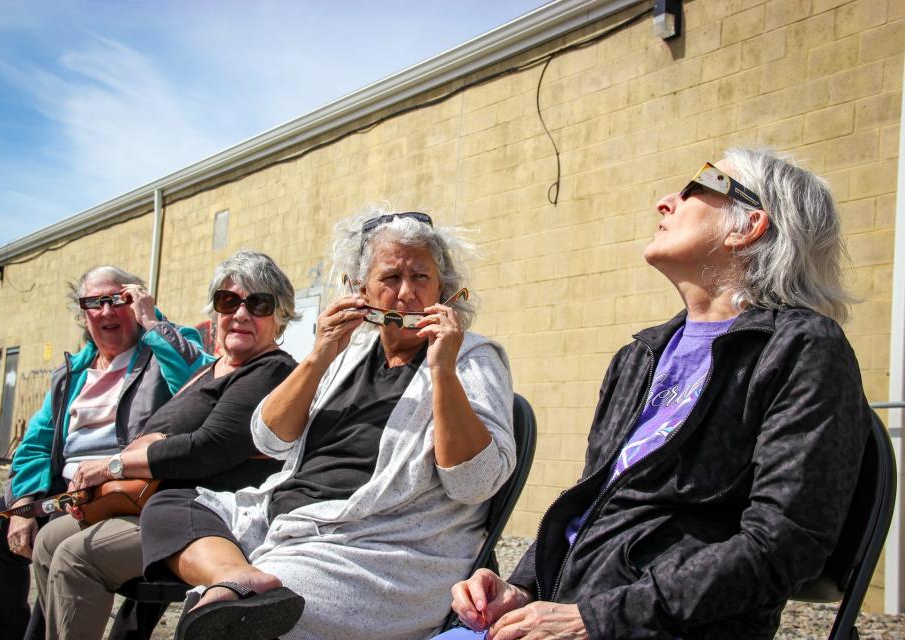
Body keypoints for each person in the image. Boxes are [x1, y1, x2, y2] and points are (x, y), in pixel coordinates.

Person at [447, 147, 872, 640]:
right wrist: (521, 590)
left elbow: (785, 543)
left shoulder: (801, 348)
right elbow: (599, 503)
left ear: (748, 225)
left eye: (697, 187)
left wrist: (597, 620)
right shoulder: (641, 355)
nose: (665, 202)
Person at [137, 209, 517, 640]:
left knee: (248, 615)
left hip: (376, 547)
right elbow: (269, 438)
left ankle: (249, 591)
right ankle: (237, 578)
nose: (407, 293)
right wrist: (320, 354)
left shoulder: (472, 357)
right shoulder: (349, 351)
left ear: (443, 289)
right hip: (287, 520)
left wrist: (443, 371)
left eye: (421, 277)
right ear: (362, 291)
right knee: (171, 506)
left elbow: (475, 483)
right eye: (390, 278)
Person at [28, 250, 299, 640]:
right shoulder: (213, 368)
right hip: (151, 495)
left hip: (198, 510)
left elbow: (209, 447)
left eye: (258, 304)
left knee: (74, 559)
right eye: (229, 301)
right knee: (49, 541)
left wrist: (114, 466)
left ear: (281, 316)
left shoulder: (270, 370)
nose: (240, 313)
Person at [0, 266, 208, 640]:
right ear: (83, 313)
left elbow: (201, 390)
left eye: (118, 299)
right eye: (94, 303)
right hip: (66, 487)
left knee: (63, 547)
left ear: (135, 301)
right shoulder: (72, 373)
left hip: (126, 487)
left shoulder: (162, 349)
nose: (107, 311)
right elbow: (35, 442)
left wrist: (153, 321)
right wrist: (24, 503)